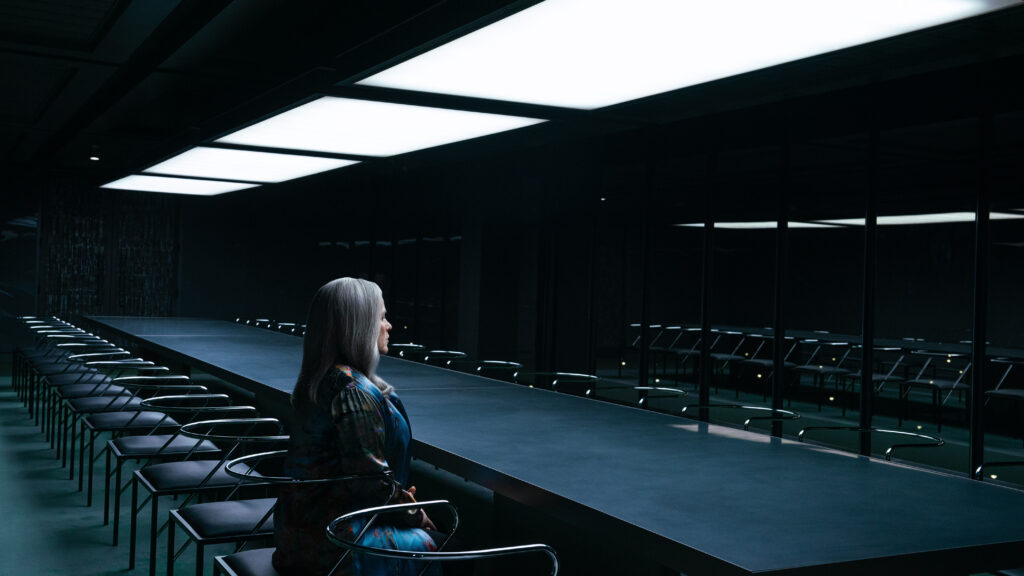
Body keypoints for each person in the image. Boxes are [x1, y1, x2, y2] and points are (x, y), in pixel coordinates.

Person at [273, 277, 438, 576]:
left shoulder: (324, 380)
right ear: (359, 325)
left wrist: (399, 498)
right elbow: (370, 484)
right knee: (442, 544)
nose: (389, 326)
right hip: (334, 544)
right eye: (382, 317)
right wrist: (414, 511)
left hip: (297, 532)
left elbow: (362, 478)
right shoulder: (354, 391)